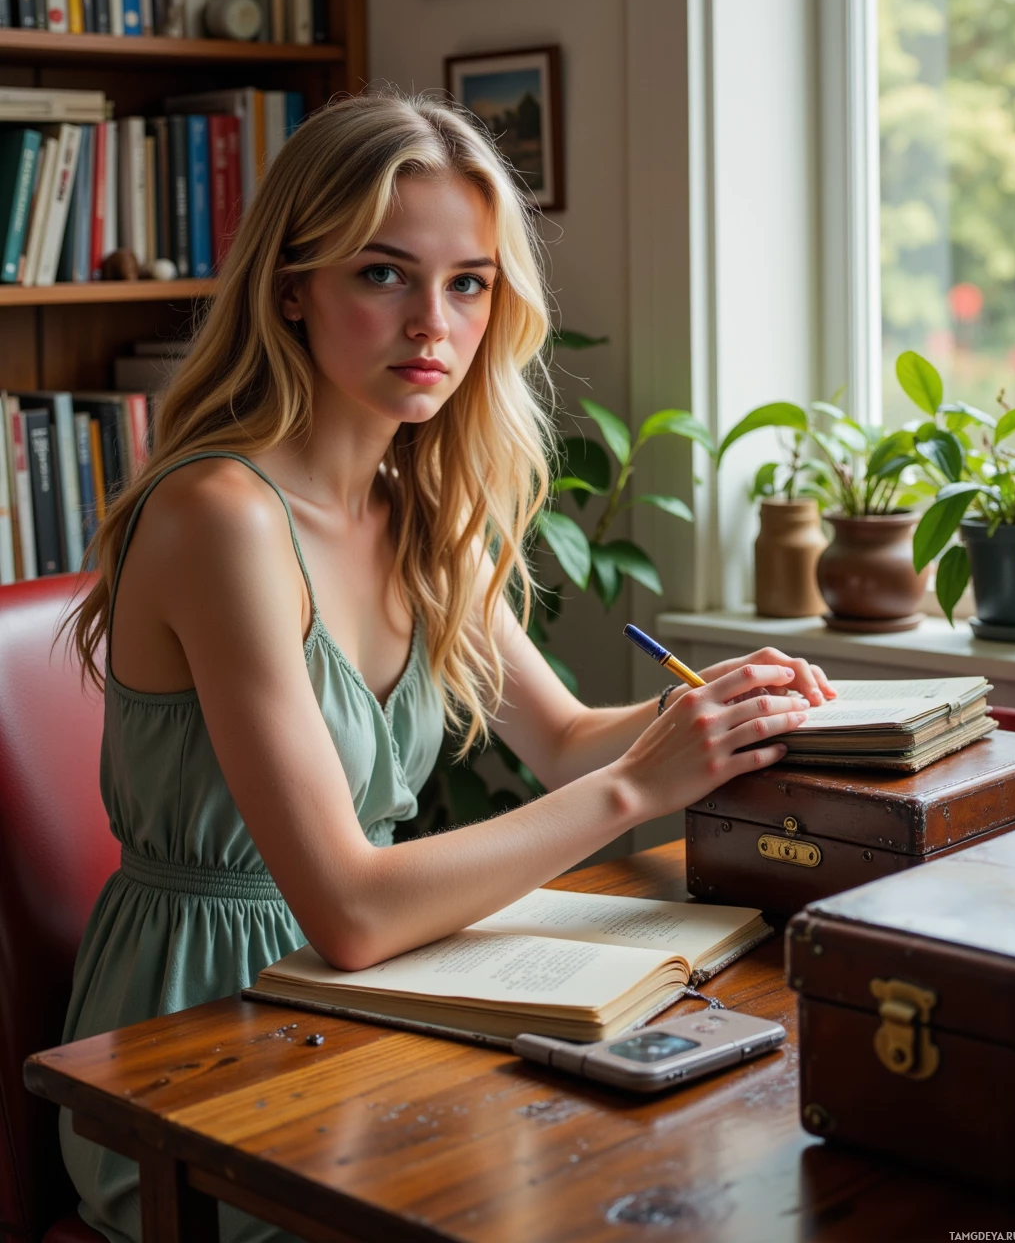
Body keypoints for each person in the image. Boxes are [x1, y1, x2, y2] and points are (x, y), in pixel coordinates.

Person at [63, 90, 834, 1243]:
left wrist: (722, 710)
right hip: (195, 1051)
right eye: (383, 274)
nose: (433, 321)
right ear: (293, 289)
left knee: (687, 1162)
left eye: (468, 282)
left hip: (366, 999)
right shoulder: (219, 516)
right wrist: (639, 787)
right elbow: (352, 908)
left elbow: (564, 736)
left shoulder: (420, 507)